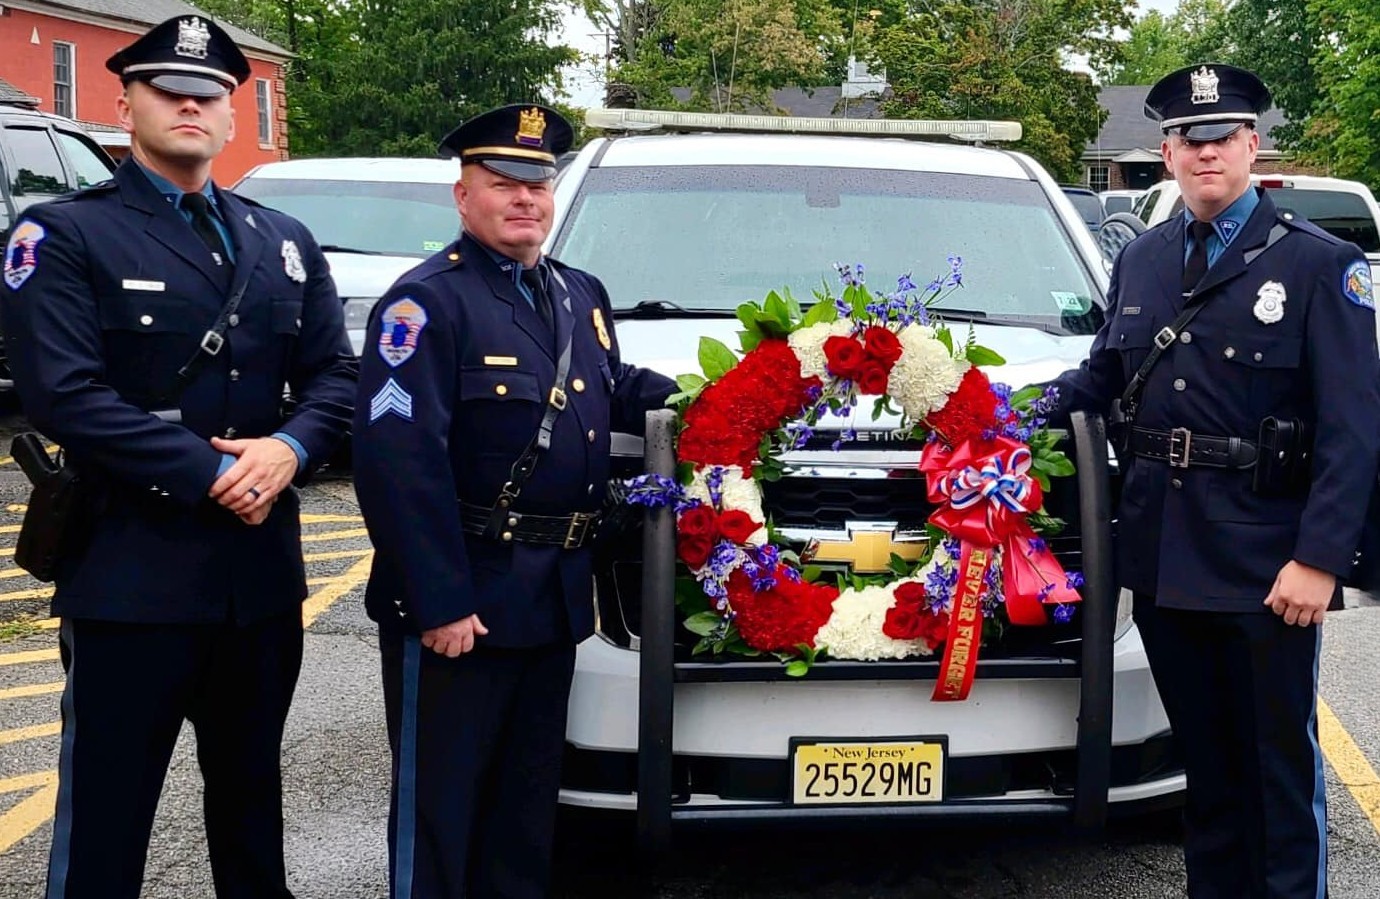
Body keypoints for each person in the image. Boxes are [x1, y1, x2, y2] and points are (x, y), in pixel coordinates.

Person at [0, 16, 356, 899]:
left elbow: (336, 378)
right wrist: (218, 472)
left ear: (233, 116)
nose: (193, 103)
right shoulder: (64, 236)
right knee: (106, 825)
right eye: (168, 88)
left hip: (259, 580)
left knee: (250, 810)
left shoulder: (281, 239)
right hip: (131, 576)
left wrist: (288, 446)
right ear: (124, 104)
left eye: (212, 94)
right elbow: (65, 395)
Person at [1049, 63, 1380, 898]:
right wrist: (976, 415)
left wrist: (1322, 557)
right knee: (1208, 776)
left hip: (1269, 567)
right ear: (1166, 153)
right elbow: (1097, 381)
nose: (1205, 153)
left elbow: (1355, 424)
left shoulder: (1319, 265)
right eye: (1187, 140)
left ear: (1251, 146)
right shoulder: (1144, 260)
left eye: (1222, 137)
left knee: (1276, 774)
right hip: (1164, 560)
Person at [352, 103, 675, 898]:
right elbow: (399, 461)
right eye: (504, 182)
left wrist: (725, 399)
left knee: (524, 816)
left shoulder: (577, 293)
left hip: (552, 599)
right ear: (462, 196)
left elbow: (611, 391)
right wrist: (439, 600)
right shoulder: (423, 304)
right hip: (463, 603)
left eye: (538, 182)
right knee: (440, 813)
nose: (526, 198)